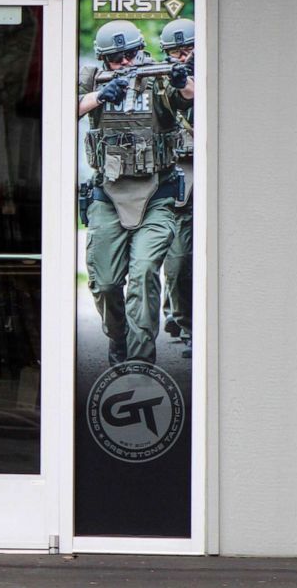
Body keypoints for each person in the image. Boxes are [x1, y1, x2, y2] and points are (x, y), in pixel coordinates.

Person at [78, 19, 194, 364]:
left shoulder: (158, 77)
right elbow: (54, 109)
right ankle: (117, 338)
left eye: (131, 55)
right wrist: (101, 95)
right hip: (108, 194)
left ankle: (140, 363)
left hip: (156, 192)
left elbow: (193, 97)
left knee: (144, 273)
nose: (126, 63)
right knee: (106, 283)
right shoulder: (91, 79)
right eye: (117, 59)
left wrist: (182, 79)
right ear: (104, 60)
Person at [158, 18, 196, 358]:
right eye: (176, 52)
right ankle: (185, 324)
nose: (183, 57)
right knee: (180, 258)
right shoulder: (165, 82)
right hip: (184, 174)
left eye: (189, 50)